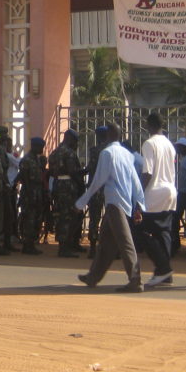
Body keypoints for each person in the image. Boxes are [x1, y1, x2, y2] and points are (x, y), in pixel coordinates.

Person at [75, 121, 146, 293]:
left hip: (115, 202)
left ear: (107, 136)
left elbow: (98, 180)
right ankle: (93, 276)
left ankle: (135, 280)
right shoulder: (126, 154)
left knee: (125, 241)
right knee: (106, 242)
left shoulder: (107, 153)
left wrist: (81, 201)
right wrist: (139, 203)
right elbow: (135, 179)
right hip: (122, 202)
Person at [138, 112, 177, 287]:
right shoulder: (169, 144)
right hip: (170, 191)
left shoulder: (149, 143)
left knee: (141, 231)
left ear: (149, 125)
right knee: (164, 232)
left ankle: (162, 269)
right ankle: (165, 273)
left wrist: (138, 192)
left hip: (154, 192)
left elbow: (148, 172)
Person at [48, 129, 84, 257]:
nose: (76, 144)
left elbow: (51, 170)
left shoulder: (56, 152)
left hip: (58, 185)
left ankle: (66, 245)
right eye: (75, 140)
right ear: (69, 138)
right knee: (68, 217)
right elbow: (72, 172)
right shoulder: (69, 152)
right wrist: (84, 173)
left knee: (61, 215)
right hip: (68, 188)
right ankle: (64, 248)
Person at [16, 136, 48, 255]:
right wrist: (29, 193)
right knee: (29, 218)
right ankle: (27, 244)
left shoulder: (37, 159)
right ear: (35, 146)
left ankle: (31, 243)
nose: (42, 150)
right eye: (41, 147)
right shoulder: (27, 159)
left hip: (37, 191)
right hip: (30, 191)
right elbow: (24, 177)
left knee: (36, 218)